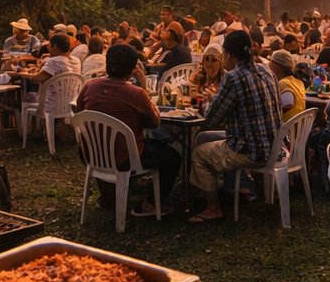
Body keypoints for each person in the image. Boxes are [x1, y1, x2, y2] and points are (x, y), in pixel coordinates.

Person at [188, 30, 283, 224]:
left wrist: (206, 102)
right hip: (275, 146)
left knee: (198, 152)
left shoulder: (233, 77)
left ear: (228, 55)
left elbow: (211, 118)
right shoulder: (267, 70)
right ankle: (227, 188)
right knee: (202, 139)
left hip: (251, 150)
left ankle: (213, 208)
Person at [76, 44, 180, 217]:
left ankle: (109, 197)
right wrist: (144, 87)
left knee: (110, 146)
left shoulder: (89, 86)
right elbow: (154, 123)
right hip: (125, 159)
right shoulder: (136, 93)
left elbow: (79, 113)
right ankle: (151, 204)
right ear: (133, 69)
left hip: (90, 154)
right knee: (173, 157)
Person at [269, 50, 307, 122]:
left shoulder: (283, 83)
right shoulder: (299, 82)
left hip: (287, 130)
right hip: (299, 128)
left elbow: (288, 102)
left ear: (277, 67)